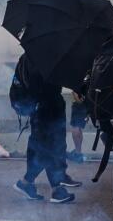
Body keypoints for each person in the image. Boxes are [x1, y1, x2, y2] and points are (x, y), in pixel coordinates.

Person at [11, 55, 79, 203]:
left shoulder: (33, 58)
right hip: (45, 110)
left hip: (49, 108)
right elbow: (39, 87)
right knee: (47, 149)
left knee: (50, 148)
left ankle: (32, 184)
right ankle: (50, 188)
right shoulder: (35, 60)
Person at [68, 92, 88, 164]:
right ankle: (78, 152)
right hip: (85, 106)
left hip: (79, 106)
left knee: (75, 129)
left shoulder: (78, 82)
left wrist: (78, 98)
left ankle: (78, 153)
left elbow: (77, 97)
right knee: (78, 129)